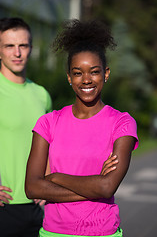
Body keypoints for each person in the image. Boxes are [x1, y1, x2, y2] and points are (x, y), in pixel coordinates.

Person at [25, 19, 138, 237]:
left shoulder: (122, 123)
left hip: (103, 231)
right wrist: (94, 186)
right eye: (77, 73)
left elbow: (107, 188)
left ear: (106, 73)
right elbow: (32, 188)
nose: (86, 79)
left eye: (94, 71)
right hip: (53, 233)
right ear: (69, 77)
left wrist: (55, 177)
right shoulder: (48, 122)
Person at [0, 17, 52, 237]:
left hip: (39, 206)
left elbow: (51, 145)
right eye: (9, 46)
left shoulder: (42, 95)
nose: (17, 53)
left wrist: (49, 183)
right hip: (4, 207)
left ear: (31, 48)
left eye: (23, 45)